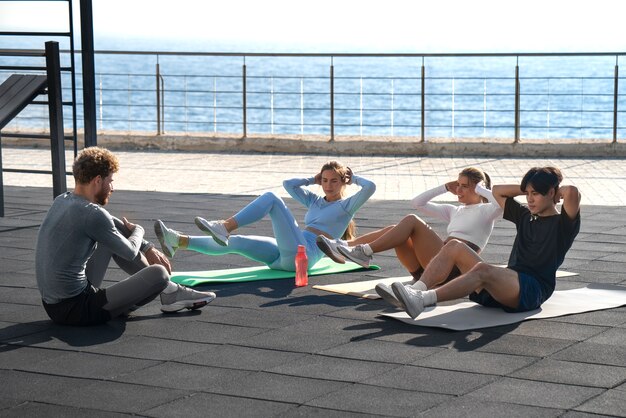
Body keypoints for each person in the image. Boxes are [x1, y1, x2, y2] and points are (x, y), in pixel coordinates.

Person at [35, 147, 216, 326]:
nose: (112, 188)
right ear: (98, 180)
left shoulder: (62, 200)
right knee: (159, 274)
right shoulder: (92, 214)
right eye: (110, 181)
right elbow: (129, 252)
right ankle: (166, 290)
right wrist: (139, 230)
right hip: (79, 309)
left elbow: (111, 223)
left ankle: (170, 292)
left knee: (110, 239)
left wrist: (147, 246)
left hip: (52, 306)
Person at [391, 166, 581, 319]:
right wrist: (529, 187)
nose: (529, 199)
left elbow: (571, 192)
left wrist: (555, 191)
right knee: (454, 246)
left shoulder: (563, 224)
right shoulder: (525, 216)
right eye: (527, 193)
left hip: (532, 289)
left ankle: (423, 300)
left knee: (483, 270)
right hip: (507, 282)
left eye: (536, 194)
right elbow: (497, 191)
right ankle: (415, 291)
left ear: (551, 193)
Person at [317, 167, 502, 307]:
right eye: (458, 186)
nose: (459, 190)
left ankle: (364, 252)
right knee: (396, 230)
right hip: (434, 266)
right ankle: (347, 246)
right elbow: (418, 202)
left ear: (478, 189)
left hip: (453, 269)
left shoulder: (487, 211)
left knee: (411, 221)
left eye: (465, 187)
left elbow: (501, 204)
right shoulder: (455, 210)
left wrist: (481, 190)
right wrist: (445, 187)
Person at [154, 161, 376, 272]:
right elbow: (288, 184)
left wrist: (352, 177)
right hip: (285, 254)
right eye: (325, 180)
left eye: (334, 181)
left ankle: (225, 226)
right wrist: (312, 179)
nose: (328, 185)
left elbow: (370, 187)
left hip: (303, 256)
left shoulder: (347, 206)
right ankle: (179, 241)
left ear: (342, 182)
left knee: (272, 198)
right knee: (238, 242)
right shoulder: (315, 200)